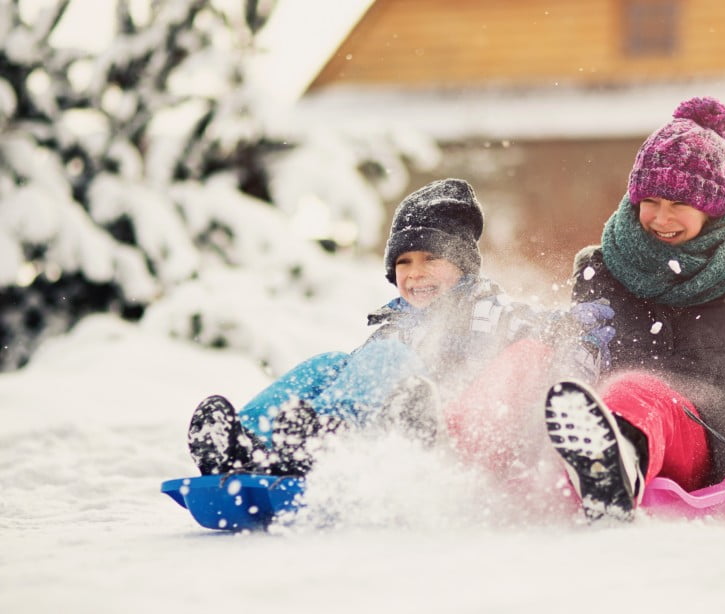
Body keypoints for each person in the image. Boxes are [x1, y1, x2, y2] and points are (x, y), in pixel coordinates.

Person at [186, 178, 612, 479]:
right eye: (403, 263)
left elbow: (537, 328)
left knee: (390, 358)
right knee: (328, 363)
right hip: (364, 427)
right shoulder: (395, 324)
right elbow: (354, 376)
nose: (415, 273)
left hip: (440, 434)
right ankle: (244, 444)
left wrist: (577, 324)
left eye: (431, 259)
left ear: (462, 265)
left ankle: (314, 446)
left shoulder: (489, 311)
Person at [545, 97, 725, 520]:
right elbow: (575, 366)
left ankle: (611, 472)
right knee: (528, 361)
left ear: (711, 208)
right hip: (605, 411)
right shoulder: (601, 268)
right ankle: (468, 463)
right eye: (651, 202)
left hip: (712, 438)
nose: (661, 218)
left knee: (634, 390)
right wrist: (565, 345)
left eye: (678, 205)